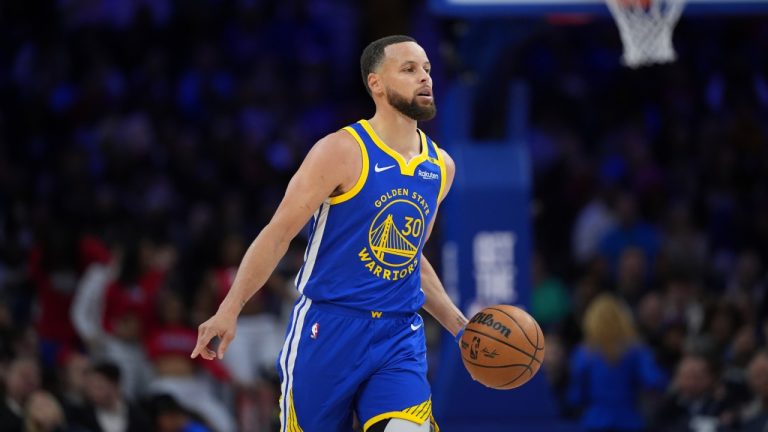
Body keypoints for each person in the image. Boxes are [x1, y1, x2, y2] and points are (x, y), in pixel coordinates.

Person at [191, 34, 467, 432]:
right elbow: (278, 234)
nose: (424, 78)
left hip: (398, 334)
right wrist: (229, 308)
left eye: (425, 68)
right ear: (376, 84)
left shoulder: (441, 166)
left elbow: (411, 261)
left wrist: (462, 328)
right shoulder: (340, 151)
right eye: (408, 69)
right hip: (329, 329)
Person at [567, 293, 666, 432]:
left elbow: (575, 396)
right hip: (628, 421)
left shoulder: (584, 353)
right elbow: (654, 381)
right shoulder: (636, 350)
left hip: (595, 421)